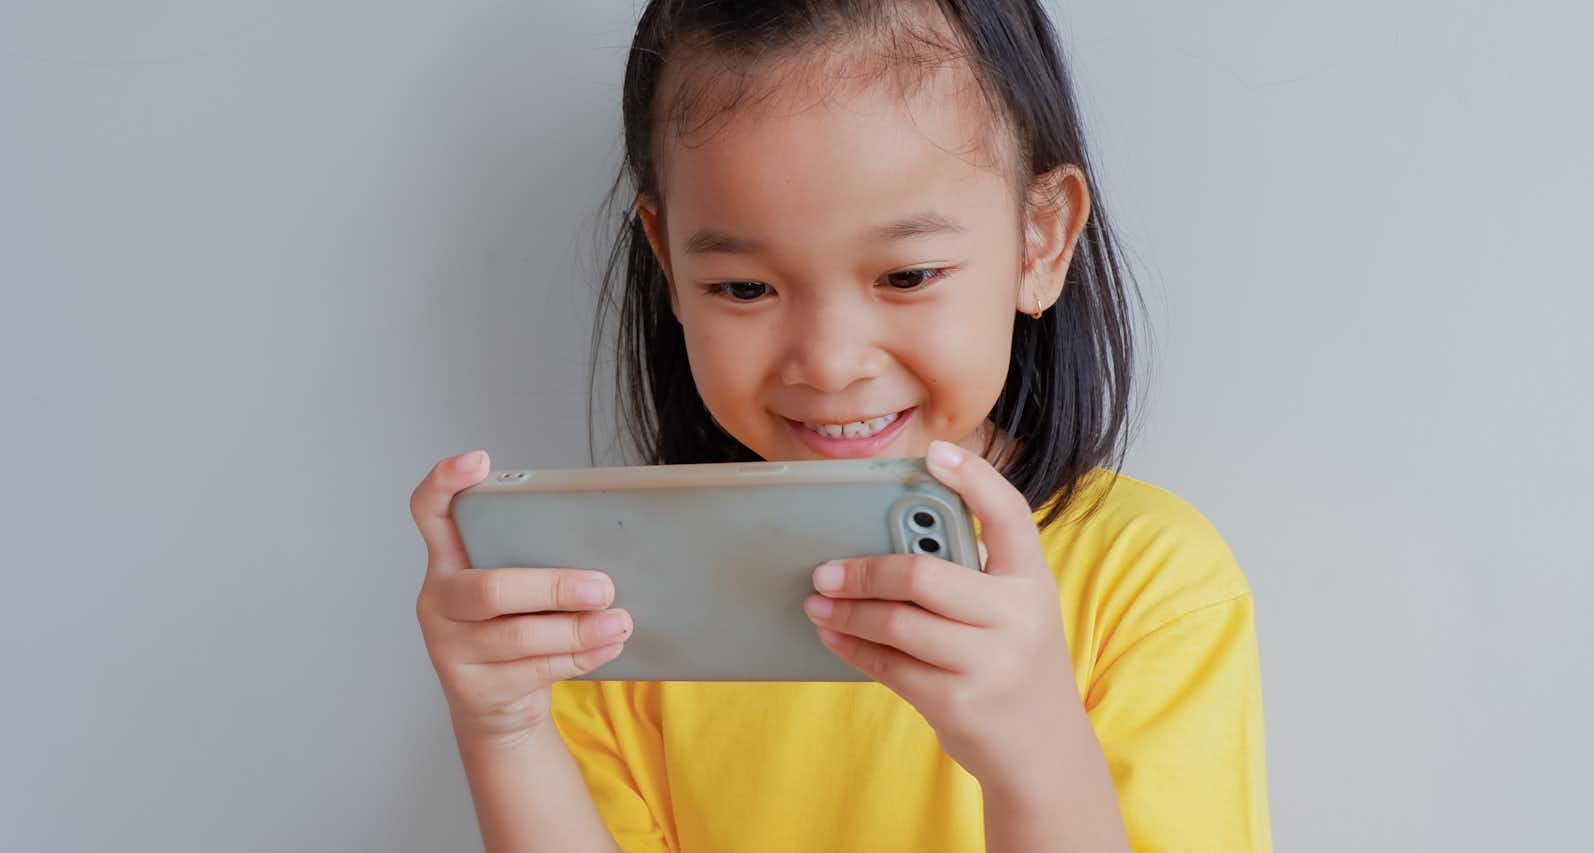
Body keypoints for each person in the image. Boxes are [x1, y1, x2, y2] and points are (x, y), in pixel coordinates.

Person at [408, 1, 1269, 849]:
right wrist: (506, 732)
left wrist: (1034, 752)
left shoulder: (1145, 585)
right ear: (669, 264)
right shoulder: (621, 601)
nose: (828, 362)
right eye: (745, 288)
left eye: (906, 275)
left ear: (1039, 240)